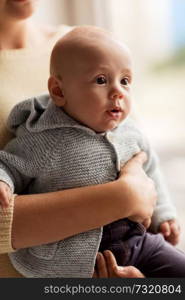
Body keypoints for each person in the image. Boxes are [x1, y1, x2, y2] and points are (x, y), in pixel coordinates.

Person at [0, 26, 183, 278]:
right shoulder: (44, 139)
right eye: (101, 80)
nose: (118, 91)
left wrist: (165, 213)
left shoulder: (129, 131)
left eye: (125, 80)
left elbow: (150, 169)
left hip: (138, 242)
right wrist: (3, 181)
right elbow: (8, 164)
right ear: (59, 91)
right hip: (81, 259)